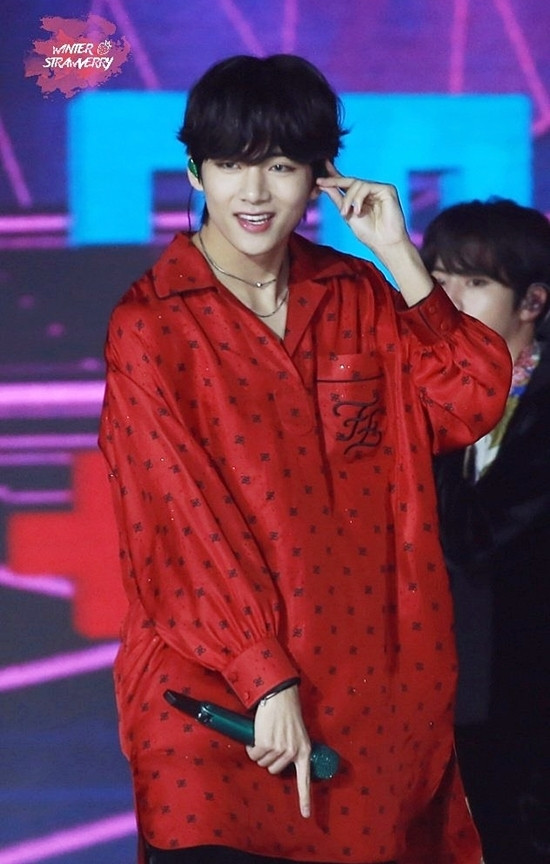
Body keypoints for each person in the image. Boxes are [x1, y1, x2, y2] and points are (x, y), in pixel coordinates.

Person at [98, 55, 511, 864]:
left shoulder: (359, 294)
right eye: (230, 165)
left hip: (370, 704)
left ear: (321, 176)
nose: (254, 193)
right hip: (212, 701)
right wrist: (264, 675)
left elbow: (471, 398)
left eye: (281, 167)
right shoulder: (151, 326)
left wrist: (399, 254)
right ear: (195, 172)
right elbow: (176, 522)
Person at [421, 198, 550, 863]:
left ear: (533, 302)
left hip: (530, 705)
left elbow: (478, 536)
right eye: (437, 278)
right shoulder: (419, 390)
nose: (446, 300)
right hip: (443, 695)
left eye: (473, 282)